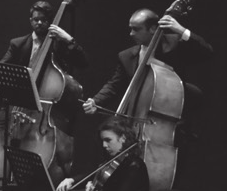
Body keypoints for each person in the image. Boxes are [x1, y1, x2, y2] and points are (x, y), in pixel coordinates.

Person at [0, 0, 89, 185]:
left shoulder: (58, 44)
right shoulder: (19, 43)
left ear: (50, 21)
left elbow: (83, 63)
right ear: (30, 20)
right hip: (20, 104)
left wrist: (69, 39)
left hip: (45, 107)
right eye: (35, 19)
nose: (39, 23)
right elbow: (2, 65)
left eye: (43, 20)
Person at [83, 7, 213, 123]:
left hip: (172, 121)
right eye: (130, 29)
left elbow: (206, 52)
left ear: (152, 29)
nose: (131, 34)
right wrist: (96, 101)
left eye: (136, 29)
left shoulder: (175, 45)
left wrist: (181, 30)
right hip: (138, 119)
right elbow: (115, 85)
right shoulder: (126, 56)